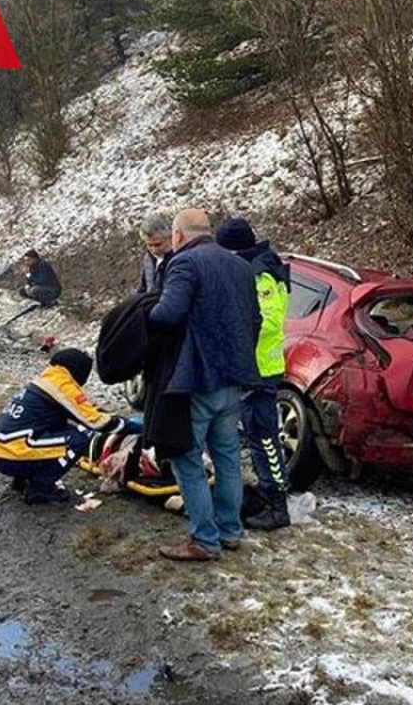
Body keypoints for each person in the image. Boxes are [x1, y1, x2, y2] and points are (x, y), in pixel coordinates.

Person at [148, 208, 261, 562]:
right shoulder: (241, 266)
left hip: (197, 380)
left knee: (186, 457)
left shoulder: (186, 264)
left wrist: (143, 313)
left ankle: (204, 540)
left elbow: (167, 314)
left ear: (178, 235)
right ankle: (230, 531)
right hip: (233, 379)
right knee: (227, 456)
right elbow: (254, 320)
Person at [0, 348, 140, 505]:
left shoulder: (46, 380)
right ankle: (40, 488)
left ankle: (22, 480)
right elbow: (96, 422)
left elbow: (84, 409)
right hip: (14, 453)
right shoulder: (62, 385)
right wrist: (135, 427)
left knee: (58, 429)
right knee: (79, 437)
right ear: (79, 371)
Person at [215, 217, 292, 530]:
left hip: (260, 369)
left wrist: (233, 337)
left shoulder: (262, 275)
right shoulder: (256, 268)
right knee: (256, 434)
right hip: (252, 367)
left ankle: (277, 504)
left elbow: (267, 322)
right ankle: (266, 492)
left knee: (264, 437)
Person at [137, 213, 172, 294]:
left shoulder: (180, 260)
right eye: (150, 245)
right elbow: (142, 288)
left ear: (170, 238)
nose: (154, 250)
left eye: (158, 244)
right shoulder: (148, 259)